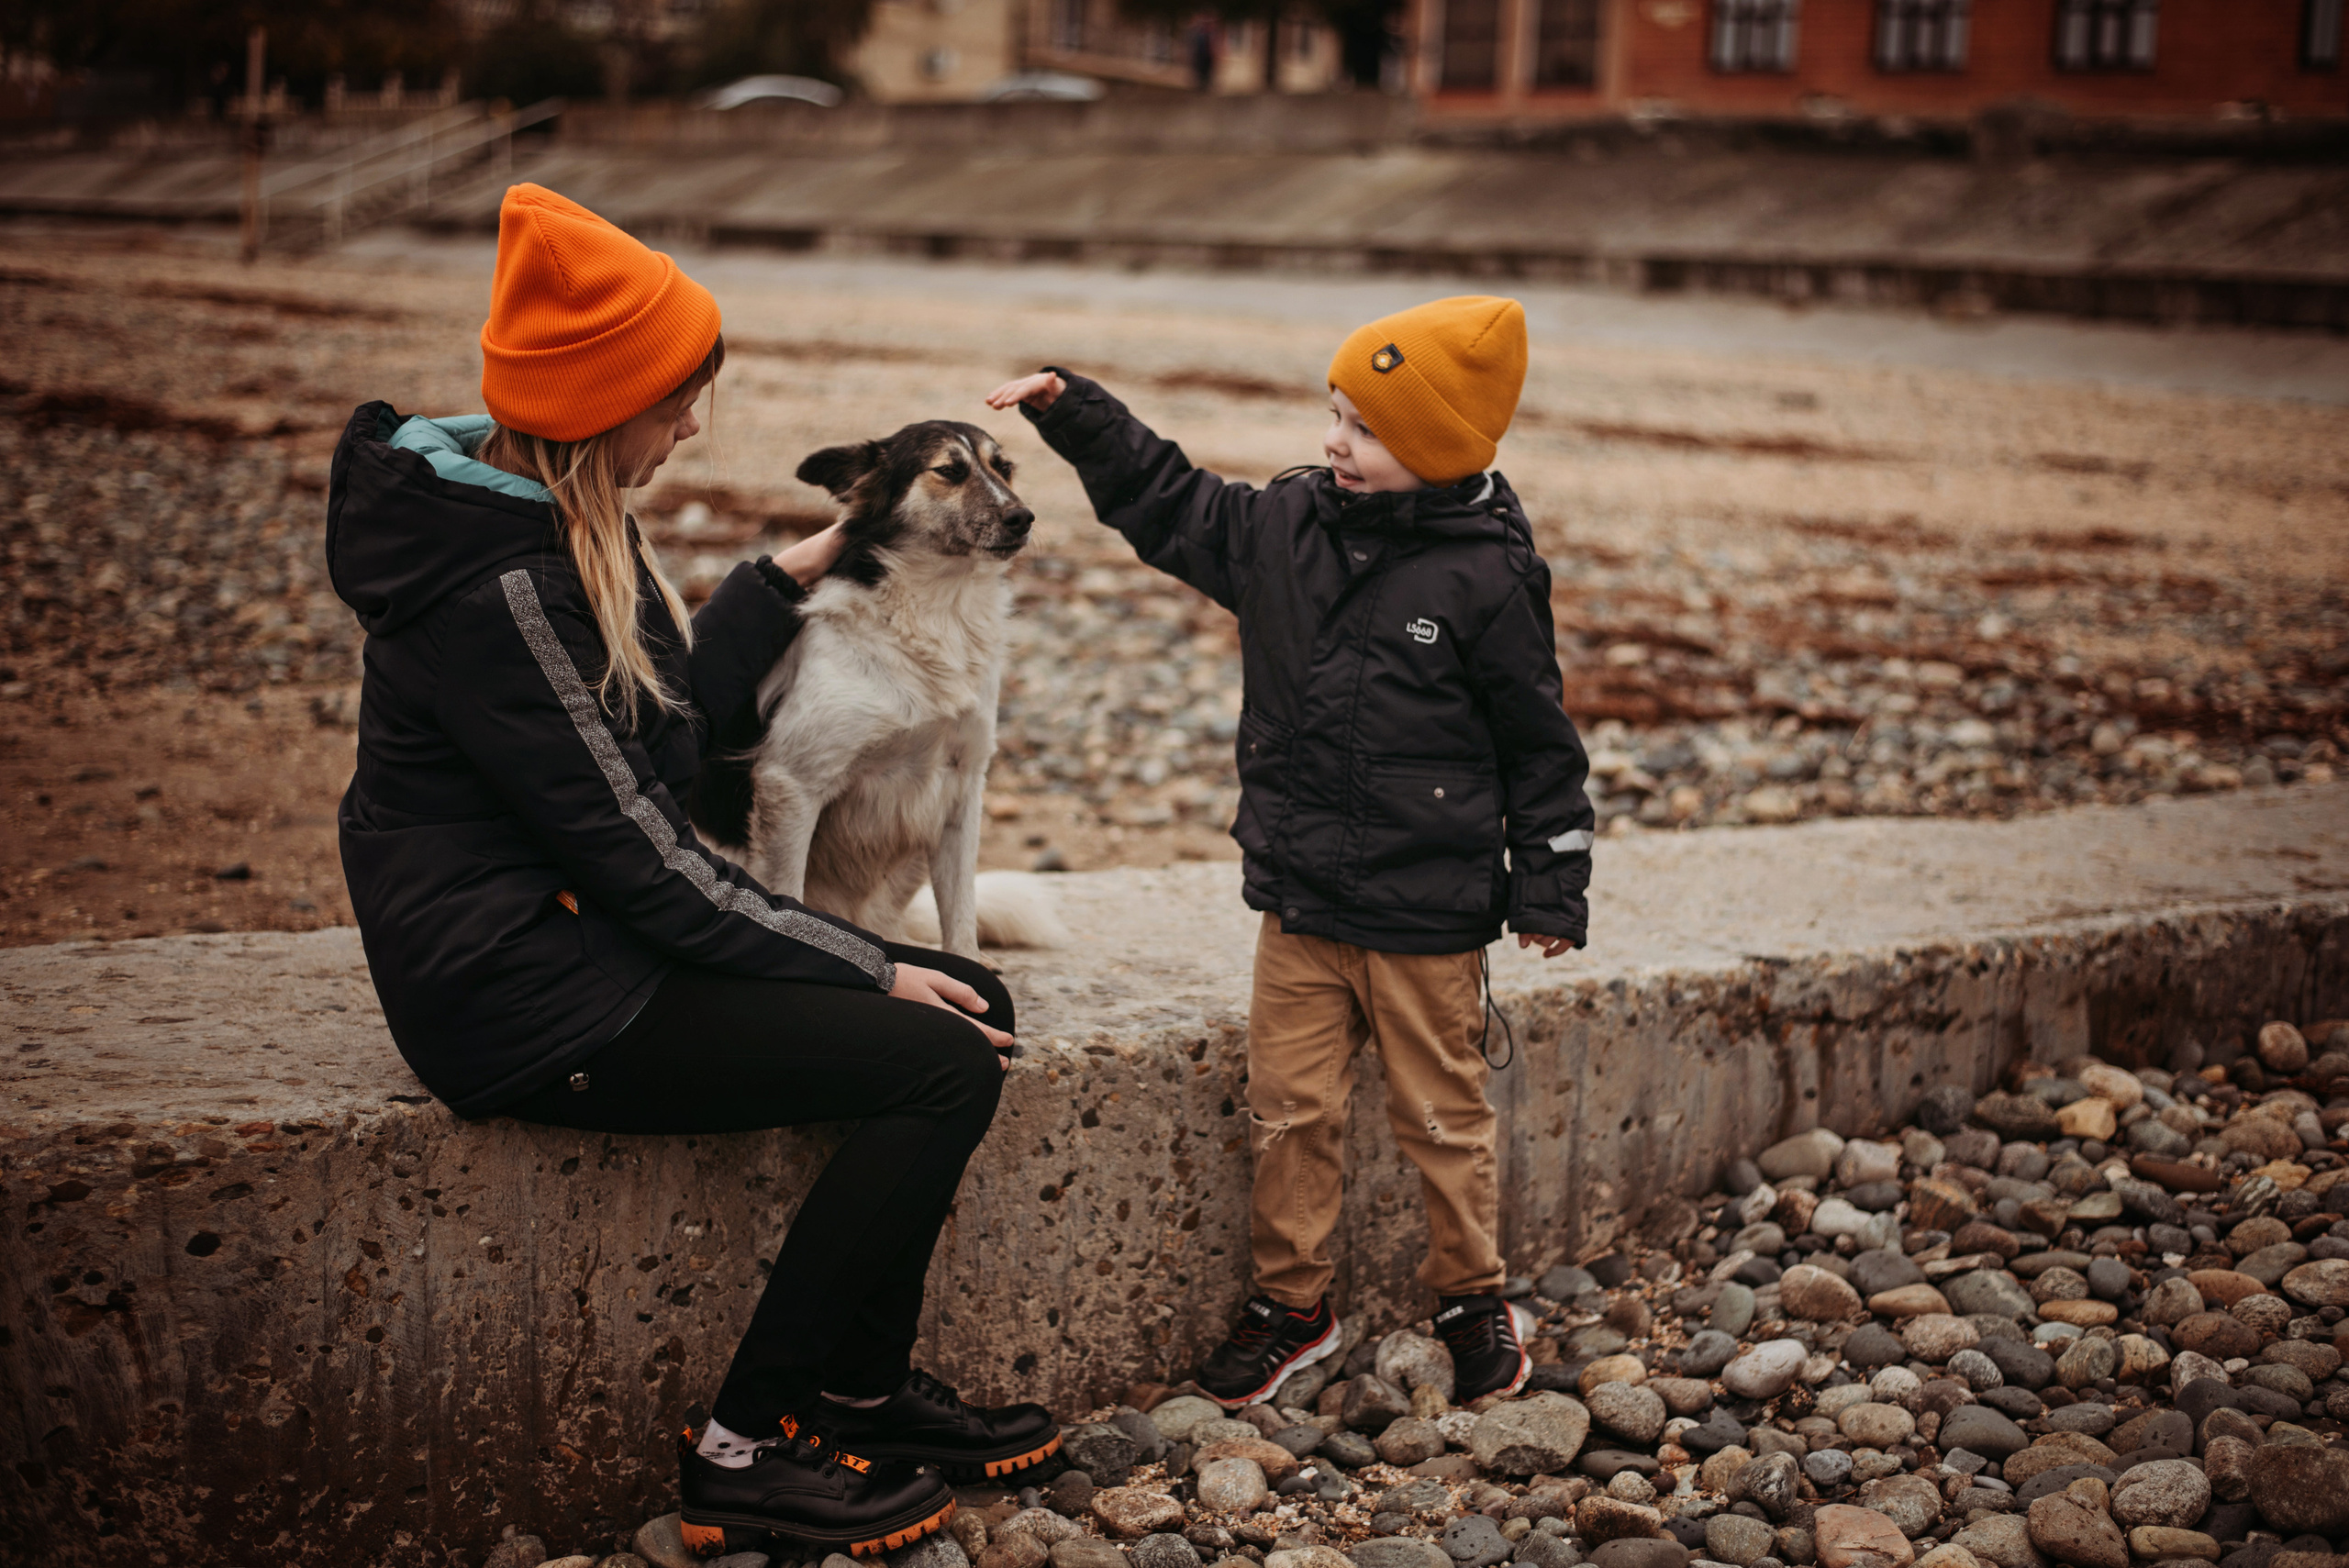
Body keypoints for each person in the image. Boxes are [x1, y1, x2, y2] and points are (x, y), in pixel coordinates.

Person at [330, 183, 1057, 1557]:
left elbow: (670, 728)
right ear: (601, 402)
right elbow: (653, 855)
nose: (692, 428)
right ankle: (747, 1443)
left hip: (585, 934)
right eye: (676, 400)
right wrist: (865, 962)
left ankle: (863, 1390)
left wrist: (784, 576)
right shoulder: (505, 591)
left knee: (980, 1003)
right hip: (528, 994)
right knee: (939, 1057)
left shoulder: (552, 519)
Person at [985, 296, 1594, 1407]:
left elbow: (1538, 743)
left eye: (1366, 428)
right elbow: (1167, 501)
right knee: (1286, 1110)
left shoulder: (1490, 575)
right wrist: (1078, 415)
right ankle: (1291, 1303)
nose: (1333, 441)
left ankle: (1470, 1294)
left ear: (1440, 445)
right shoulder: (1284, 527)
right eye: (1335, 415)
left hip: (1426, 914)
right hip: (1301, 900)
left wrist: (1551, 885)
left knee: (1443, 1118)